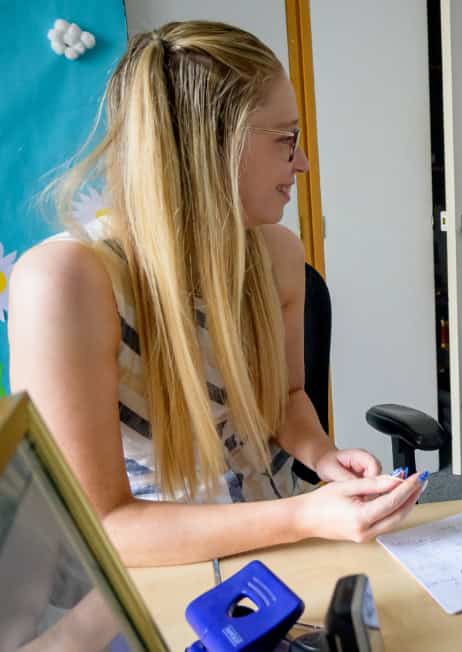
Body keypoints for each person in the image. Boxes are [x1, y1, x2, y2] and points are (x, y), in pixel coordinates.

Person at [8, 20, 425, 567]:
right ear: (212, 145)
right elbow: (97, 526)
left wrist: (324, 457)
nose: (301, 162)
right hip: (157, 570)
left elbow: (286, 399)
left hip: (282, 544)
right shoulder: (66, 282)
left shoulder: (276, 253)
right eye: (286, 140)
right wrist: (303, 516)